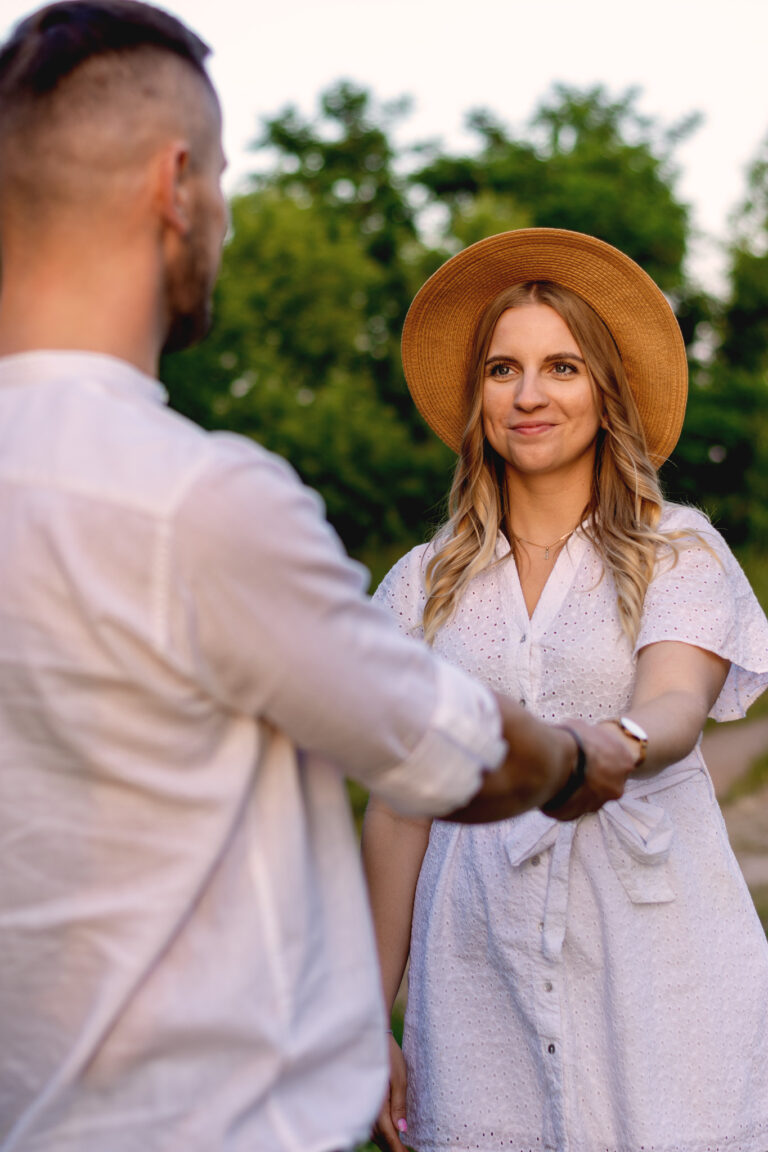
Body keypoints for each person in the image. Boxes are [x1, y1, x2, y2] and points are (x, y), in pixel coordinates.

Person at [0, 7, 635, 1152]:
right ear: (175, 185)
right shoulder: (197, 504)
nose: (227, 221)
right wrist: (577, 757)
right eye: (228, 183)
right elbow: (451, 752)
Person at [362, 228, 768, 1152]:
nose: (531, 394)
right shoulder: (421, 586)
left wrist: (608, 744)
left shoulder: (679, 548)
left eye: (563, 367)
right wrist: (364, 1012)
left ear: (604, 391)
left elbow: (674, 703)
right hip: (475, 971)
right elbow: (397, 808)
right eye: (504, 369)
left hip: (659, 969)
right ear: (479, 398)